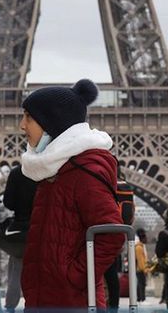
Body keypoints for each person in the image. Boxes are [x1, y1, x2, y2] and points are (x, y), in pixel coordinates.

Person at [19, 79, 125, 309]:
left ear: (51, 122)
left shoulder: (83, 172)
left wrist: (72, 276)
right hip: (45, 297)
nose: (22, 125)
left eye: (28, 117)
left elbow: (112, 234)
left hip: (70, 299)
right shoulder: (54, 171)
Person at [1, 167, 37, 313]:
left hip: (20, 230)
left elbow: (8, 202)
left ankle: (10, 307)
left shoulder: (17, 172)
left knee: (16, 271)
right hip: (42, 227)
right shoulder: (46, 170)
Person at [135, 228, 149, 303]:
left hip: (140, 269)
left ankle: (140, 298)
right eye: (145, 238)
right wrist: (144, 269)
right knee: (142, 284)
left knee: (140, 284)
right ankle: (142, 299)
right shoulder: (139, 248)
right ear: (142, 238)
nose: (147, 240)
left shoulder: (140, 246)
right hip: (140, 269)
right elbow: (140, 261)